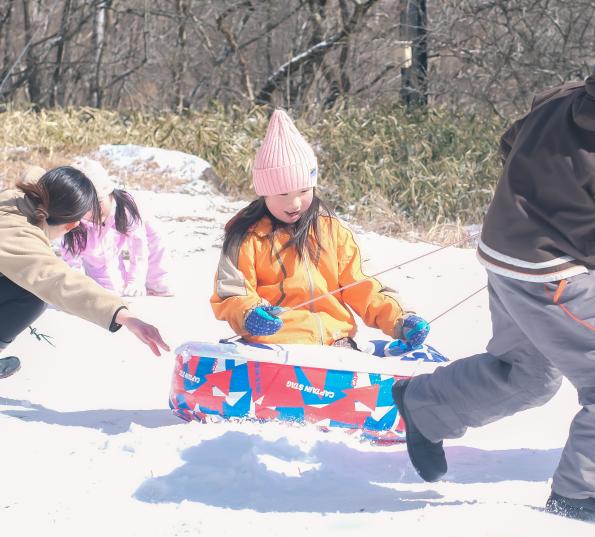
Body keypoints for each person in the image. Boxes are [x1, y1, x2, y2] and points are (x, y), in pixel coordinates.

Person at [390, 0, 595, 528]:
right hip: (551, 276)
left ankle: (427, 406)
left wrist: (542, 193)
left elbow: (510, 142)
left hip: (504, 255)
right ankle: (588, 490)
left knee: (529, 374)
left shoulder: (562, 98)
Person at [210, 109, 429, 351]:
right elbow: (231, 292)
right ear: (264, 193)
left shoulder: (332, 230)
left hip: (334, 341)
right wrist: (250, 314)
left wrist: (400, 319)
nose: (294, 204)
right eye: (283, 194)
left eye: (304, 191)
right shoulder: (246, 237)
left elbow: (363, 284)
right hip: (273, 345)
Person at [0, 165, 170, 378]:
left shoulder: (13, 199)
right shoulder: (19, 235)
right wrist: (125, 317)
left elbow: (33, 171)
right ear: (72, 225)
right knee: (33, 292)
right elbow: (57, 280)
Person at [60, 159, 173, 297]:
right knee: (111, 291)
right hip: (97, 247)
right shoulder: (76, 225)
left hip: (137, 226)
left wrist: (135, 281)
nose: (93, 212)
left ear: (110, 193)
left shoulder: (125, 206)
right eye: (86, 207)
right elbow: (71, 260)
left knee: (154, 237)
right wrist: (76, 288)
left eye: (99, 202)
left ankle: (156, 282)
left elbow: (138, 247)